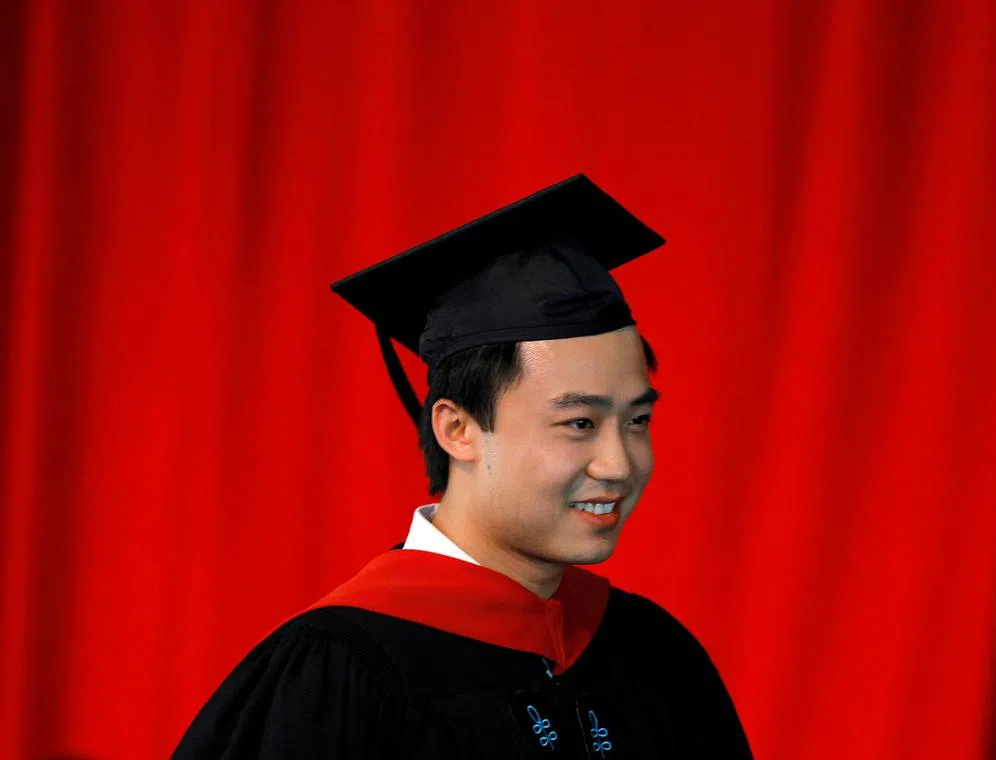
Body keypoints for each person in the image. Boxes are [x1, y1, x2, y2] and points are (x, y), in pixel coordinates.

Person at [172, 175, 753, 758]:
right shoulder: (340, 673)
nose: (619, 464)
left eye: (636, 421)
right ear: (458, 429)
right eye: (580, 423)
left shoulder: (655, 654)